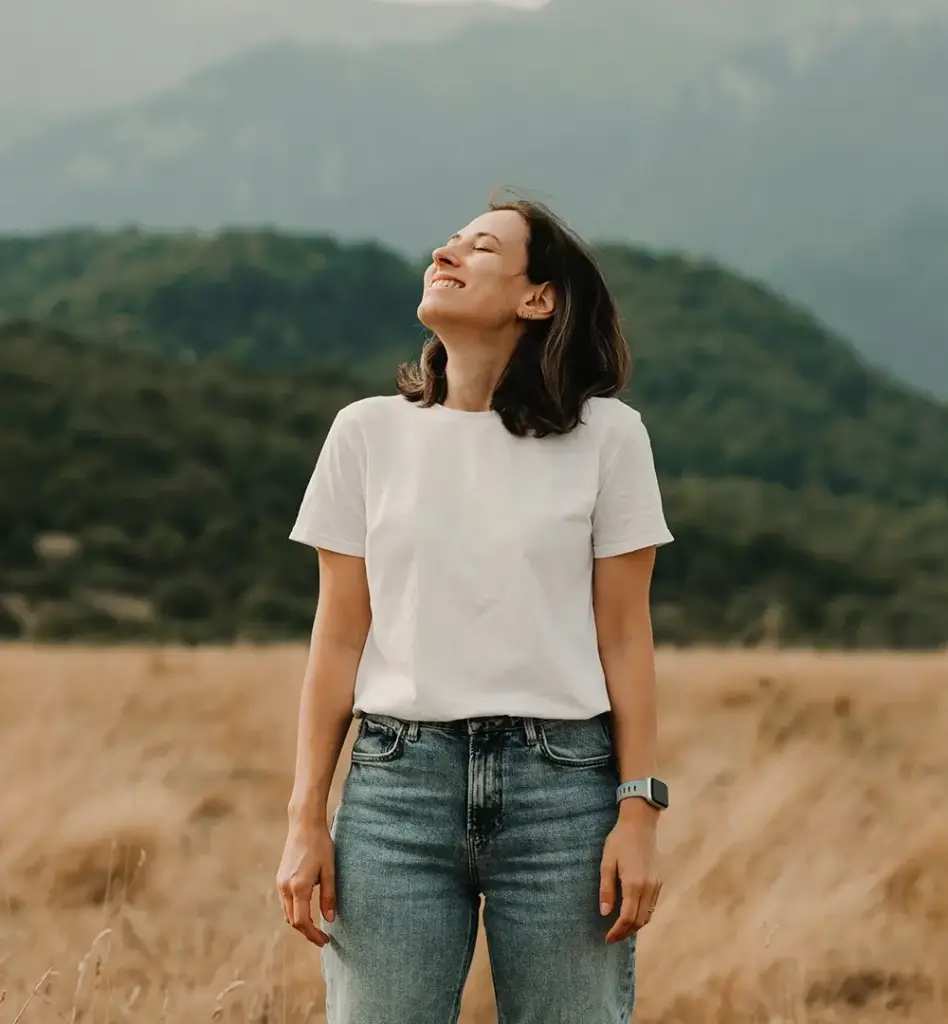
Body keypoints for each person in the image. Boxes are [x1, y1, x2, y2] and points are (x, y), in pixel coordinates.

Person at [276, 192, 674, 1024]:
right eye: (448, 243)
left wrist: (637, 811)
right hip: (395, 792)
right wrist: (307, 814)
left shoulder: (609, 438)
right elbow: (340, 635)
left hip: (564, 796)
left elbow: (626, 636)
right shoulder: (365, 434)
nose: (446, 254)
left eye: (481, 247)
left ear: (539, 298)